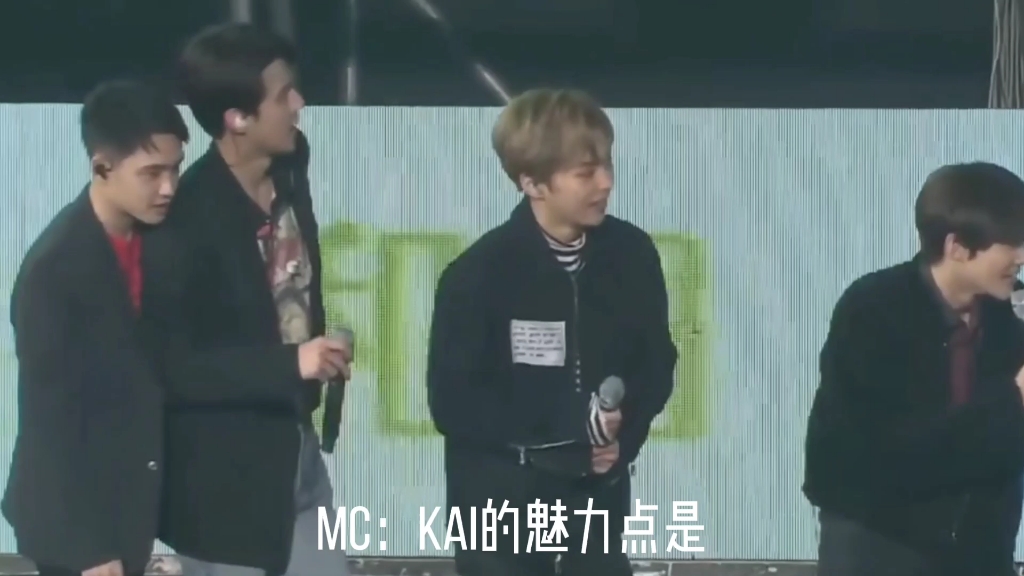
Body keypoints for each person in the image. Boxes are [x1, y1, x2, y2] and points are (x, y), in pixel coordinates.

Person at [426, 88, 678, 576]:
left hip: (595, 497)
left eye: (607, 165)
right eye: (585, 173)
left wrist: (621, 441)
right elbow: (454, 403)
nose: (605, 182)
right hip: (499, 505)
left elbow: (655, 363)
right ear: (533, 183)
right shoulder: (478, 274)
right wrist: (571, 425)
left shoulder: (631, 255)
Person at [150, 23, 352, 576]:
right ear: (237, 118)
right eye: (284, 96)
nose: (299, 103)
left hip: (296, 449)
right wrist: (292, 361)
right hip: (224, 484)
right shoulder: (186, 219)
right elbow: (177, 369)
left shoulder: (290, 164)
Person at [2, 80, 188, 576]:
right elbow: (52, 422)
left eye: (175, 169)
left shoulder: (163, 243)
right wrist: (88, 549)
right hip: (77, 524)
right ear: (102, 167)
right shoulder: (54, 269)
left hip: (134, 502)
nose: (168, 188)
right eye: (152, 173)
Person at [803, 162, 1024, 576]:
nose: (1021, 258)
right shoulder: (873, 311)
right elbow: (883, 452)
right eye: (1011, 243)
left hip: (981, 549)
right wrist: (1014, 399)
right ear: (957, 247)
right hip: (881, 546)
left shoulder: (1007, 318)